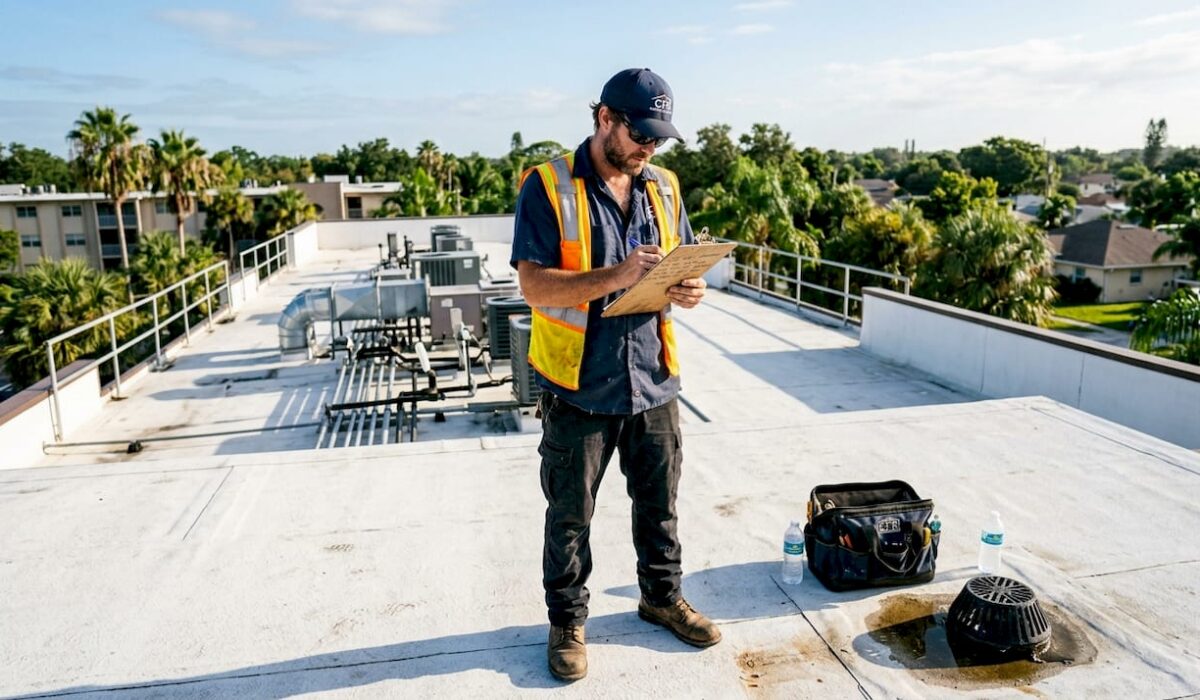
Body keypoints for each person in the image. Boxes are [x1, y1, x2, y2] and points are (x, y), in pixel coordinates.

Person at [510, 67, 721, 682]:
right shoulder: (547, 186)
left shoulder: (663, 185)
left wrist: (689, 286)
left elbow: (676, 262)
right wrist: (618, 276)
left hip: (652, 377)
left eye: (658, 137)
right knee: (570, 514)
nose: (648, 148)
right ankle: (567, 621)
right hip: (579, 386)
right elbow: (533, 283)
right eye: (639, 133)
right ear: (603, 118)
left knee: (660, 506)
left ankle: (661, 598)